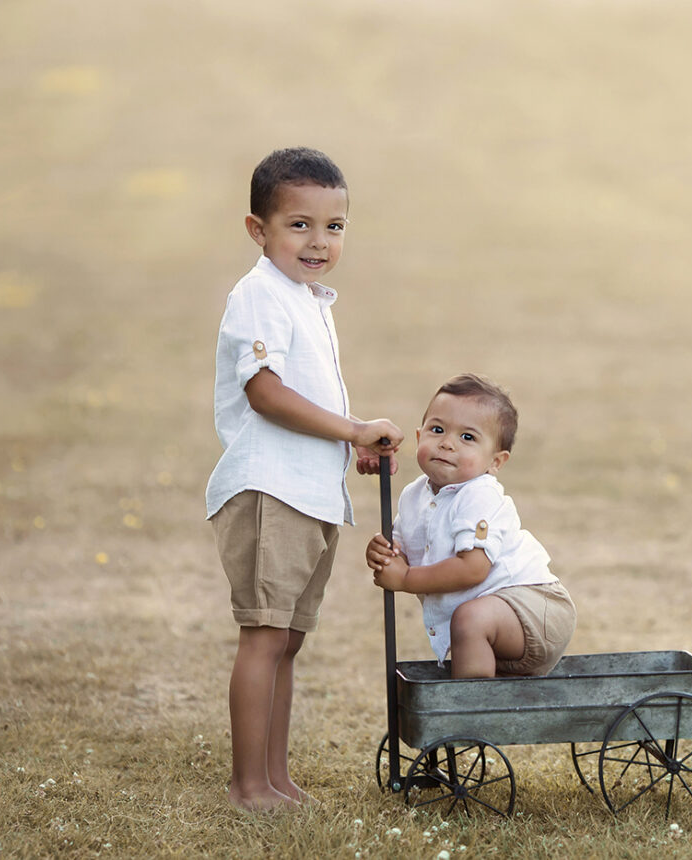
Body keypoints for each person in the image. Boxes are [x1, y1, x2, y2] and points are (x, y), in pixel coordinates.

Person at [206, 147, 403, 812]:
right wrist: (351, 429)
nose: (319, 241)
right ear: (258, 230)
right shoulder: (260, 294)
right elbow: (264, 393)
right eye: (299, 225)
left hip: (308, 489)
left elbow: (306, 392)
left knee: (287, 638)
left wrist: (352, 442)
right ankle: (246, 786)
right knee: (265, 634)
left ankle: (275, 777)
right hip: (271, 490)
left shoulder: (307, 299)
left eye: (335, 226)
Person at [364, 374, 576, 679]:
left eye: (468, 438)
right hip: (497, 620)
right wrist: (384, 553)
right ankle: (477, 715)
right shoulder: (413, 495)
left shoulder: (479, 493)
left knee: (469, 619)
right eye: (437, 430)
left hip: (536, 607)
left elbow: (473, 568)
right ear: (419, 435)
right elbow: (400, 554)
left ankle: (472, 716)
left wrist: (407, 578)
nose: (447, 443)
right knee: (469, 620)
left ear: (496, 462)